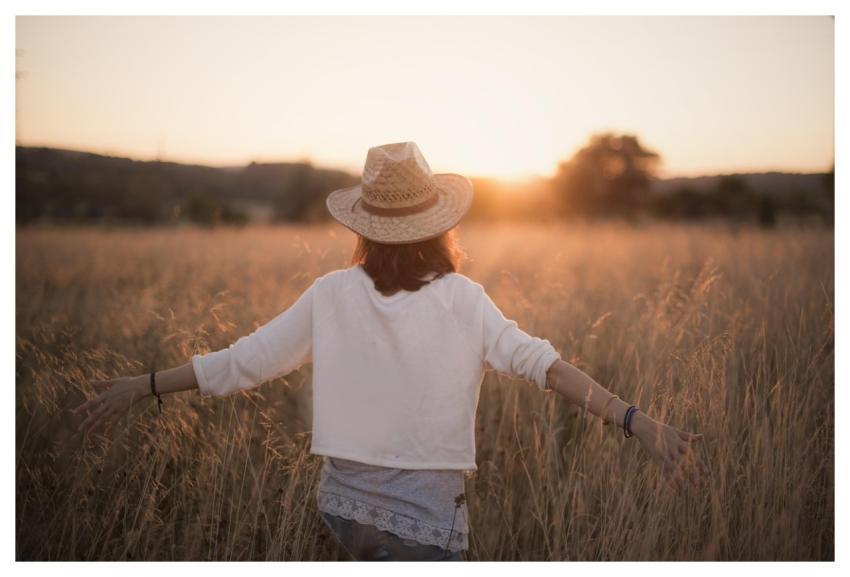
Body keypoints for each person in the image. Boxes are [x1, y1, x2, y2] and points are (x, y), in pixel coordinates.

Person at [71, 142, 706, 562]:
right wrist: (635, 420)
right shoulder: (464, 298)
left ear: (365, 228)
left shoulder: (330, 294)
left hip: (342, 513)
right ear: (441, 225)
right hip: (427, 526)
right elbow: (548, 367)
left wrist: (145, 385)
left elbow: (243, 361)